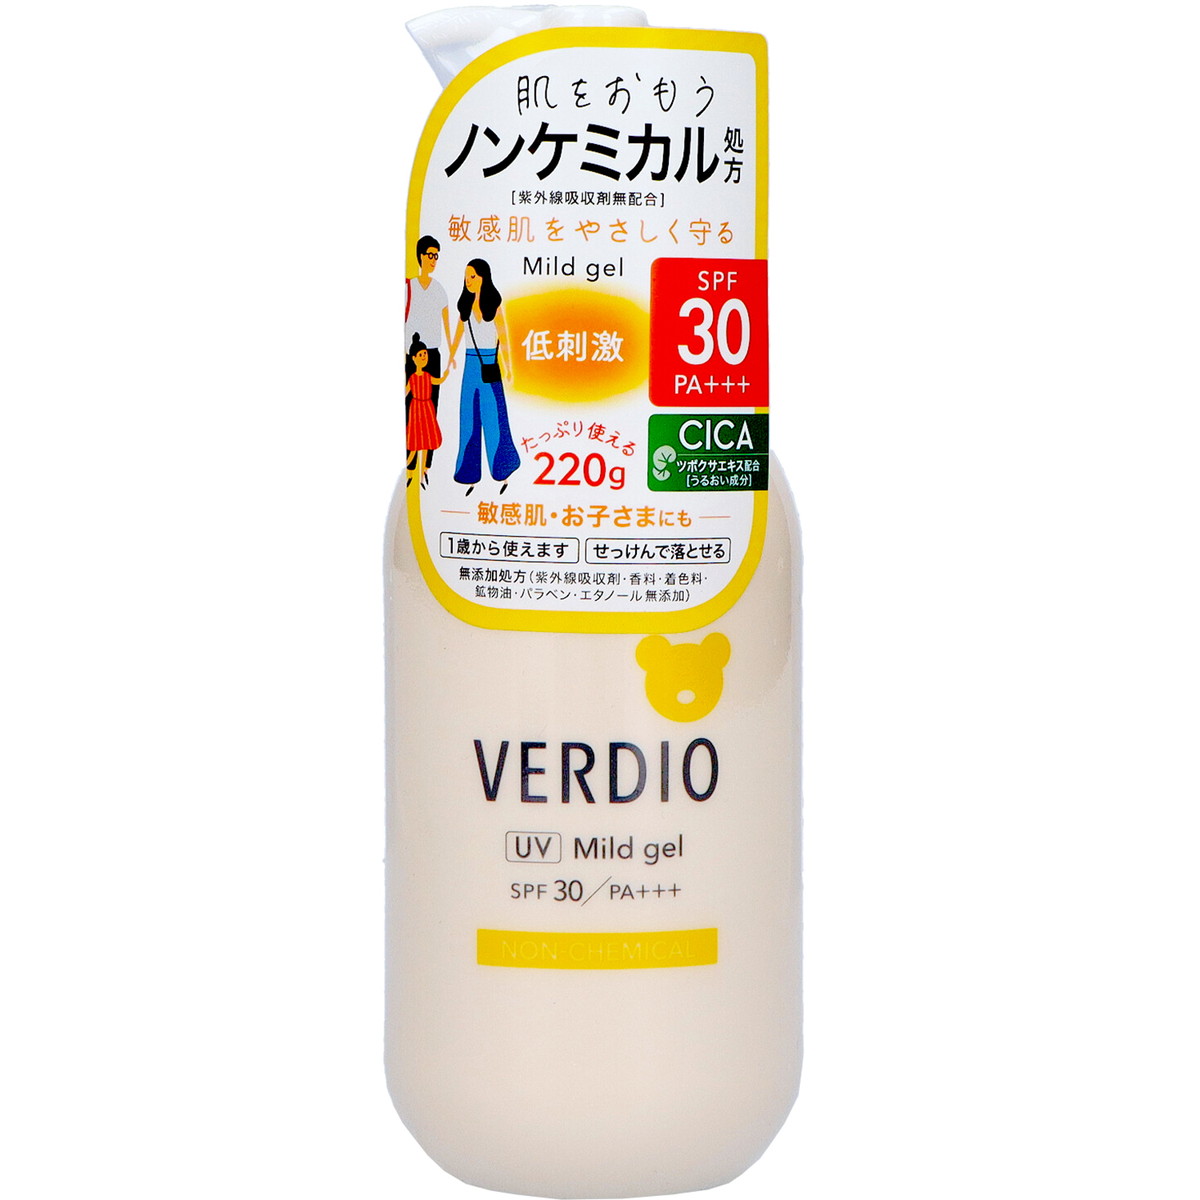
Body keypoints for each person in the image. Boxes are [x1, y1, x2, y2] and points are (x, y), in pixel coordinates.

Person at [446, 259, 520, 494]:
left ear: (483, 277)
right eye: (466, 277)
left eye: (473, 276)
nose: (468, 281)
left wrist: (508, 367)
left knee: (494, 419)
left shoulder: (494, 307)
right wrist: (450, 357)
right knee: (468, 420)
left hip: (490, 366)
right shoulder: (465, 308)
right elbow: (458, 335)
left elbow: (504, 338)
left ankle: (502, 471)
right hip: (470, 367)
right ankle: (468, 475)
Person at [404, 235, 453, 469]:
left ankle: (427, 465)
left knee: (431, 409)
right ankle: (410, 460)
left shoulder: (439, 289)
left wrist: (451, 352)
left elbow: (446, 324)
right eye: (430, 255)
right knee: (410, 408)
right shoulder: (409, 287)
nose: (433, 260)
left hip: (433, 354)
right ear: (421, 256)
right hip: (411, 355)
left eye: (436, 256)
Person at [405, 334, 447, 489]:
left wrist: (447, 373)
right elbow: (406, 391)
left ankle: (423, 473)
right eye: (421, 355)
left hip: (427, 409)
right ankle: (408, 472)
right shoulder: (412, 378)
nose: (424, 357)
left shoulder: (428, 375)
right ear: (414, 358)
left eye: (425, 354)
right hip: (416, 409)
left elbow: (438, 381)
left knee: (426, 443)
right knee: (415, 444)